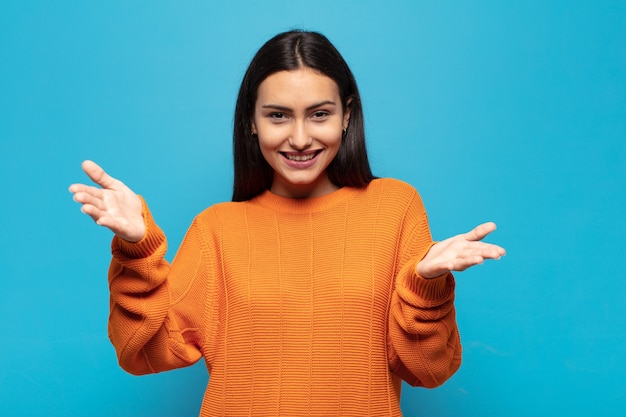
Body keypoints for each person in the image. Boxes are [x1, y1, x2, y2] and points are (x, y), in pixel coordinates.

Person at [69, 30, 505, 416]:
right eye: (278, 115)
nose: (299, 138)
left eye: (319, 114)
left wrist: (425, 287)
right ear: (251, 123)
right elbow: (140, 352)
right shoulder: (216, 229)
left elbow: (429, 371)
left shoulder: (395, 208)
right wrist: (137, 250)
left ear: (347, 115)